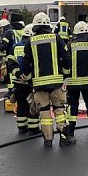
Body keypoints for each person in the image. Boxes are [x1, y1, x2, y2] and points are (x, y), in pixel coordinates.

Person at [21, 12, 73, 147]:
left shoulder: (30, 42)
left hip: (39, 85)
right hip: (57, 83)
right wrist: (66, 75)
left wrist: (28, 77)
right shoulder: (57, 38)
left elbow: (25, 63)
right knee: (60, 110)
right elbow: (66, 58)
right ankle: (63, 137)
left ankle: (48, 140)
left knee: (44, 112)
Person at [7, 23, 34, 133]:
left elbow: (10, 63)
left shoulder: (15, 47)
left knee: (21, 105)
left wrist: (18, 74)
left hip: (18, 82)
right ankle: (33, 128)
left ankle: (22, 128)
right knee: (33, 104)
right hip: (31, 82)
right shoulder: (33, 46)